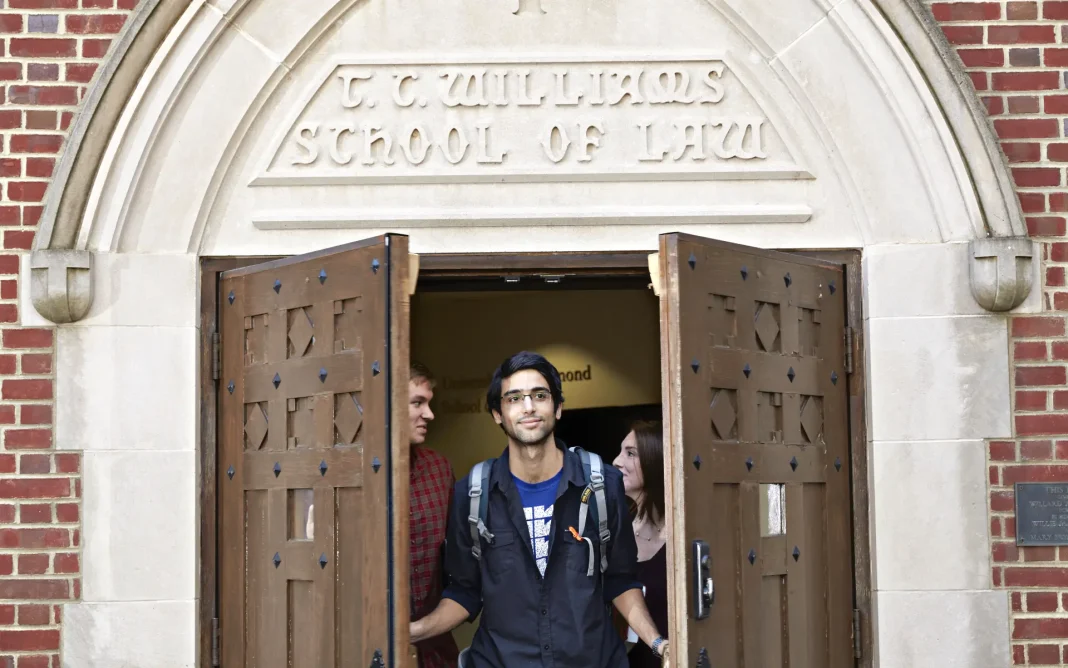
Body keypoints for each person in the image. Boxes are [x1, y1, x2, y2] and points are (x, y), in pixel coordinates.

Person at [410, 351, 670, 668]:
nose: (529, 407)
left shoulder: (602, 484)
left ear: (558, 407)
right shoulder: (472, 493)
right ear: (497, 413)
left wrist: (659, 645)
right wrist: (411, 632)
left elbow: (620, 581)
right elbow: (465, 592)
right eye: (514, 398)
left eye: (540, 395)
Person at [407, 362, 460, 668]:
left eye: (429, 403)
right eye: (417, 403)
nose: (430, 414)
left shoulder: (439, 470)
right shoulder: (352, 477)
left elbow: (456, 559)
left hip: (433, 648)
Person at [612, 421, 668, 668]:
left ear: (655, 460)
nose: (616, 461)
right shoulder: (616, 533)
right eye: (621, 451)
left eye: (630, 453)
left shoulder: (683, 533)